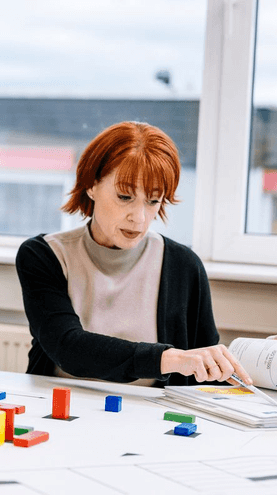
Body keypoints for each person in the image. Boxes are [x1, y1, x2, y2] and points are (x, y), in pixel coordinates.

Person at [16, 121, 255, 386]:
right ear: (91, 185)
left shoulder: (183, 265)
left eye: (153, 201)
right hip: (59, 410)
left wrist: (264, 359)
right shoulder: (44, 255)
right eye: (124, 197)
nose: (139, 218)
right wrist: (169, 358)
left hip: (152, 418)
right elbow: (68, 348)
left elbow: (207, 371)